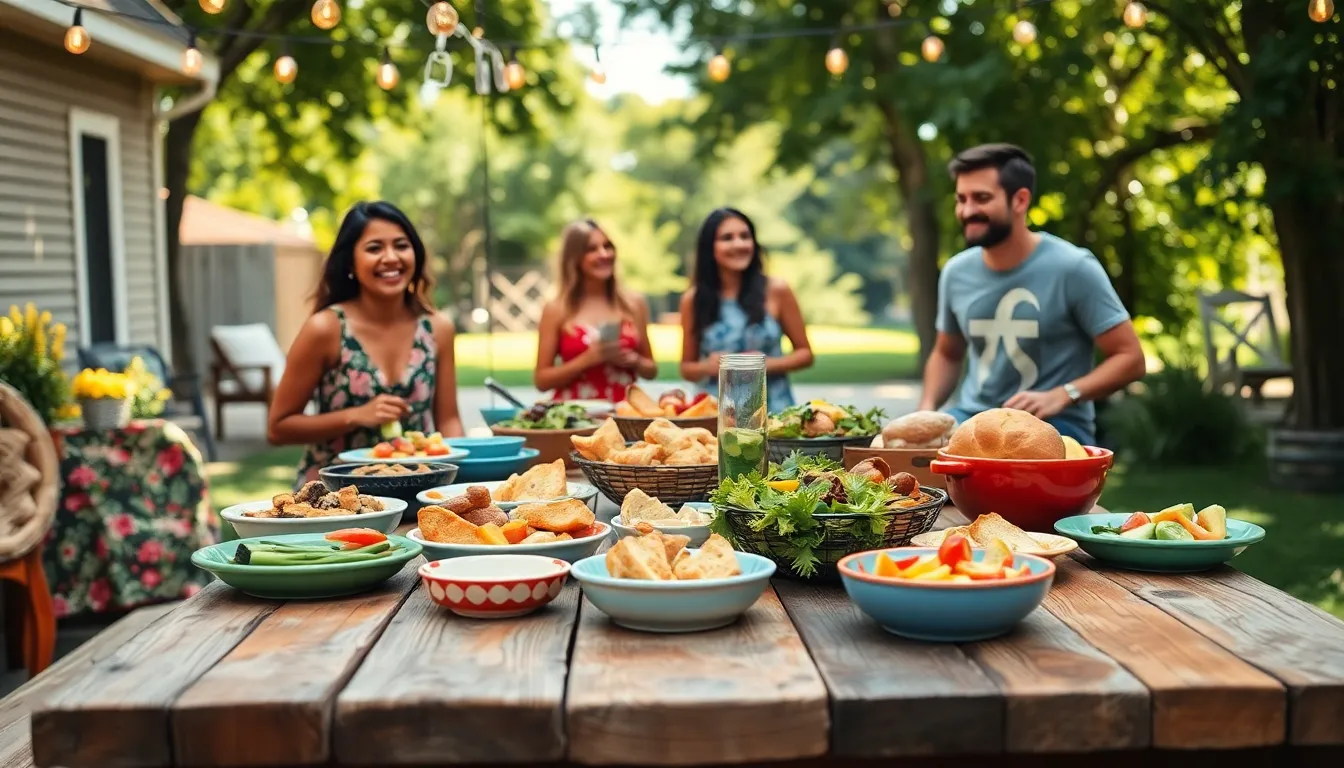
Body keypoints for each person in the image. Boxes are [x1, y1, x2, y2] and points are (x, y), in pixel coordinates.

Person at [916, 143, 1147, 445]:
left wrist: (1064, 394)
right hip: (973, 421)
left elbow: (1131, 358)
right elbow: (947, 352)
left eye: (981, 198)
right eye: (961, 199)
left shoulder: (1073, 268)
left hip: (1055, 426)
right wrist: (925, 413)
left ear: (1020, 200)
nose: (967, 210)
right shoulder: (956, 272)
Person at [267, 201, 465, 489]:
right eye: (374, 248)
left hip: (418, 489)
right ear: (350, 261)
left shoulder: (438, 328)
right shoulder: (326, 328)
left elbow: (448, 421)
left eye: (401, 245)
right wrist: (355, 416)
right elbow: (278, 428)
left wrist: (457, 476)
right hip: (333, 496)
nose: (391, 257)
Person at [679, 207, 813, 410]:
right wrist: (708, 367)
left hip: (773, 412)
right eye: (727, 238)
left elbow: (805, 354)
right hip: (718, 415)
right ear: (709, 248)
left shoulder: (777, 290)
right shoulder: (693, 299)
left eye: (745, 236)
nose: (739, 244)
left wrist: (762, 364)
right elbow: (686, 368)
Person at [533, 219, 658, 402]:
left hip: (624, 416)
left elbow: (651, 370)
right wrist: (588, 359)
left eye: (608, 246)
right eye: (592, 249)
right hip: (576, 419)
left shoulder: (633, 303)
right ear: (574, 258)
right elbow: (541, 381)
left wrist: (633, 360)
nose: (604, 254)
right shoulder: (556, 309)